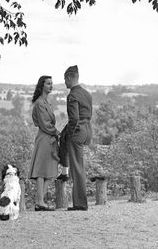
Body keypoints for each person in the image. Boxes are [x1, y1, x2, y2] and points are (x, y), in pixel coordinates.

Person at [58, 65, 92, 211]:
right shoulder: (87, 93)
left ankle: (80, 204)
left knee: (77, 168)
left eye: (65, 79)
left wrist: (69, 134)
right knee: (79, 167)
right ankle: (80, 201)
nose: (64, 82)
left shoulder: (72, 95)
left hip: (77, 132)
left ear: (70, 78)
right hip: (87, 130)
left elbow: (74, 119)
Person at [28, 75, 60, 211]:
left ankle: (39, 201)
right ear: (42, 86)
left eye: (52, 83)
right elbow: (44, 124)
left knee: (50, 170)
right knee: (42, 171)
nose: (51, 86)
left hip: (49, 138)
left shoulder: (46, 102)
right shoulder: (40, 103)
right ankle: (40, 202)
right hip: (45, 138)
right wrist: (57, 133)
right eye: (48, 83)